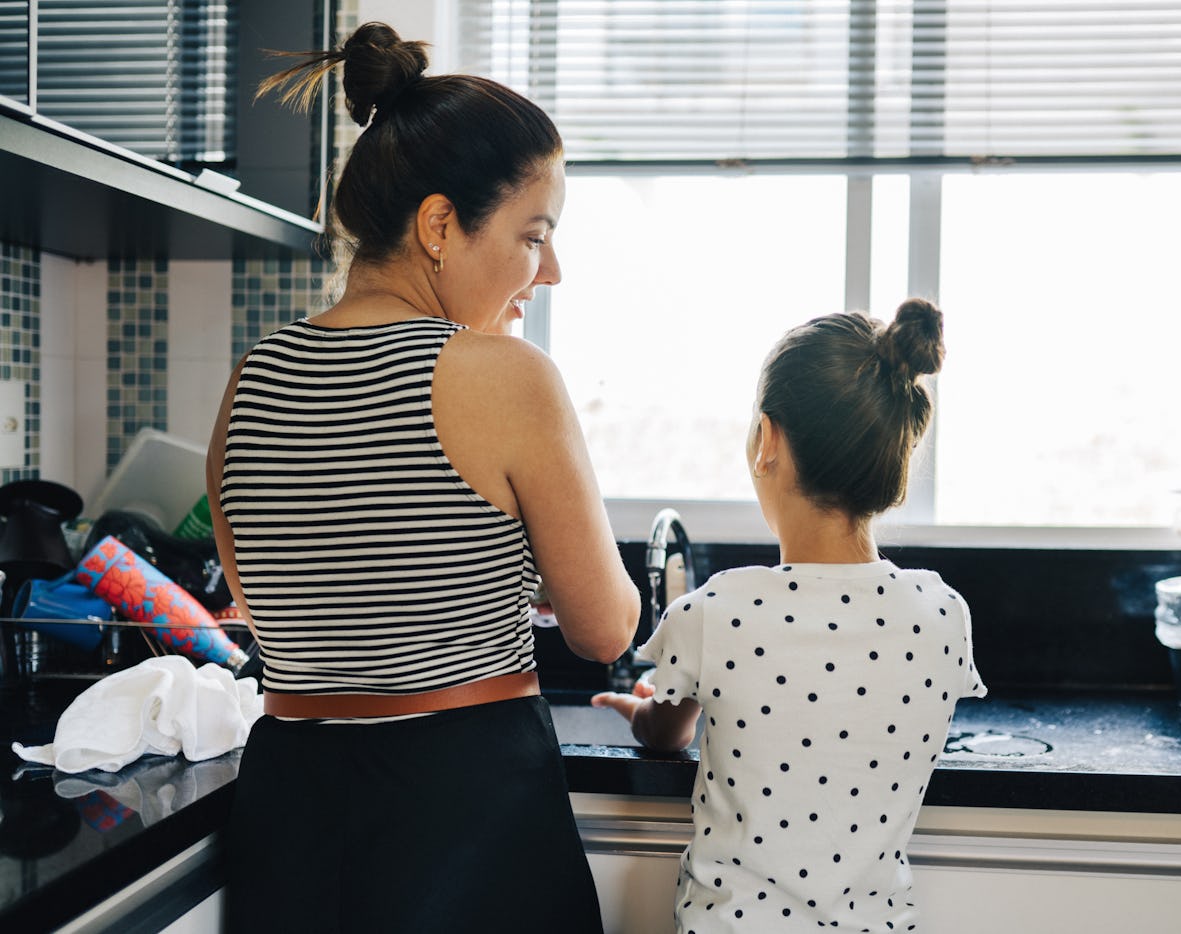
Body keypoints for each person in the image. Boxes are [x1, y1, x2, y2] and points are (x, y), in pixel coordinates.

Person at [205, 21, 640, 934]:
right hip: (464, 814)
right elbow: (605, 628)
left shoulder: (253, 377)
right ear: (440, 224)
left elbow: (262, 600)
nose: (549, 270)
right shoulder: (504, 375)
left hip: (292, 817)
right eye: (534, 234)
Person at [592, 299, 986, 933]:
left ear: (767, 440)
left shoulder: (718, 612)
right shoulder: (942, 615)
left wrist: (641, 707)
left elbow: (666, 734)